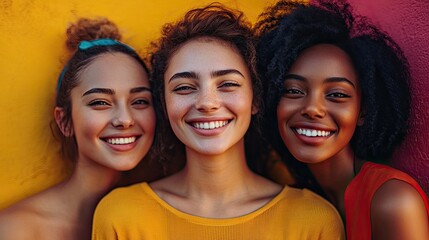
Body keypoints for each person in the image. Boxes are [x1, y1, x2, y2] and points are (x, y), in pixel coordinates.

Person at [92, 4, 344, 239]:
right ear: (165, 104)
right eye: (184, 87)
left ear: (255, 99)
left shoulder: (313, 220)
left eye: (228, 84)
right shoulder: (121, 215)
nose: (207, 102)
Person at [255, 0, 429, 239]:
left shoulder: (393, 200)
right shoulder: (295, 191)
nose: (313, 109)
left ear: (363, 112)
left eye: (337, 94)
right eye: (293, 91)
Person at [0, 18, 156, 239]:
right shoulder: (14, 230)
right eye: (100, 102)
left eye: (140, 101)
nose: (125, 119)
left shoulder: (159, 216)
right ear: (65, 121)